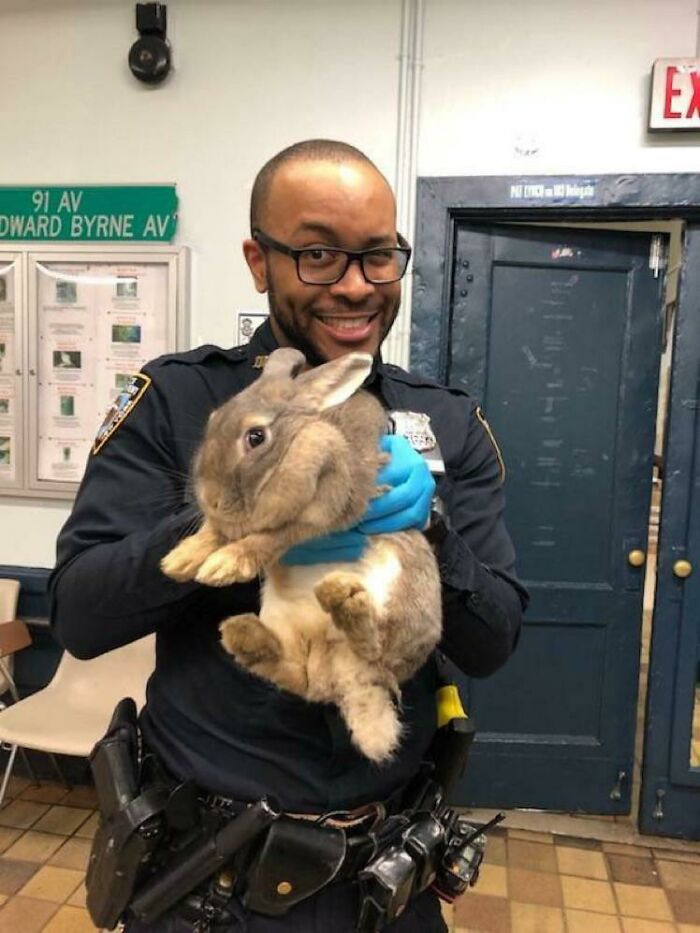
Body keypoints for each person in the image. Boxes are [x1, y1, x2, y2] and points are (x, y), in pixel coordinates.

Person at [49, 139, 527, 932]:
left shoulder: (446, 421)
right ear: (257, 260)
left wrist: (433, 529)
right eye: (316, 254)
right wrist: (238, 512)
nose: (355, 285)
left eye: (379, 256)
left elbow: (495, 639)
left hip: (388, 880)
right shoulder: (177, 402)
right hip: (213, 882)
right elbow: (79, 615)